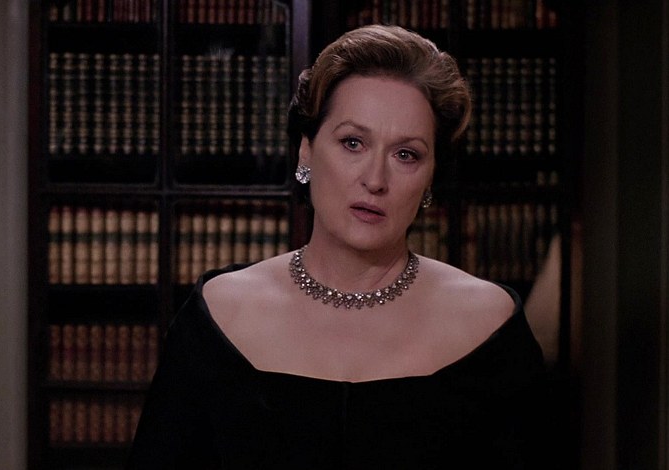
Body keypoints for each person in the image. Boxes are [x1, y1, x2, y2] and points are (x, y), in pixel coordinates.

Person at [127, 24, 552, 469]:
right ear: (306, 151)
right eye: (353, 143)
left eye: (406, 154)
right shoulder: (218, 314)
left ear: (430, 177)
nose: (375, 180)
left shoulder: (488, 323)